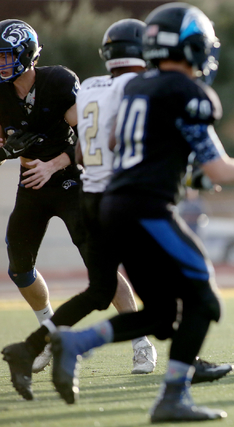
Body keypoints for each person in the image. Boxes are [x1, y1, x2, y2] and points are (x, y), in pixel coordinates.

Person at [46, 3, 234, 423]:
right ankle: (172, 396)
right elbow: (219, 167)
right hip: (146, 209)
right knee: (204, 300)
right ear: (188, 48)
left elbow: (114, 142)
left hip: (114, 206)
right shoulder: (188, 92)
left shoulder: (135, 87)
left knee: (162, 314)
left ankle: (74, 344)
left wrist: (177, 169)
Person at [0, 18, 164, 402]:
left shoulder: (57, 81)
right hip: (31, 185)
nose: (2, 65)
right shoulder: (1, 95)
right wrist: (7, 151)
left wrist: (51, 163)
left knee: (99, 263)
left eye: (7, 57)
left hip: (72, 182)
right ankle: (49, 333)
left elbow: (86, 141)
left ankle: (140, 340)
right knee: (19, 265)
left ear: (26, 54)